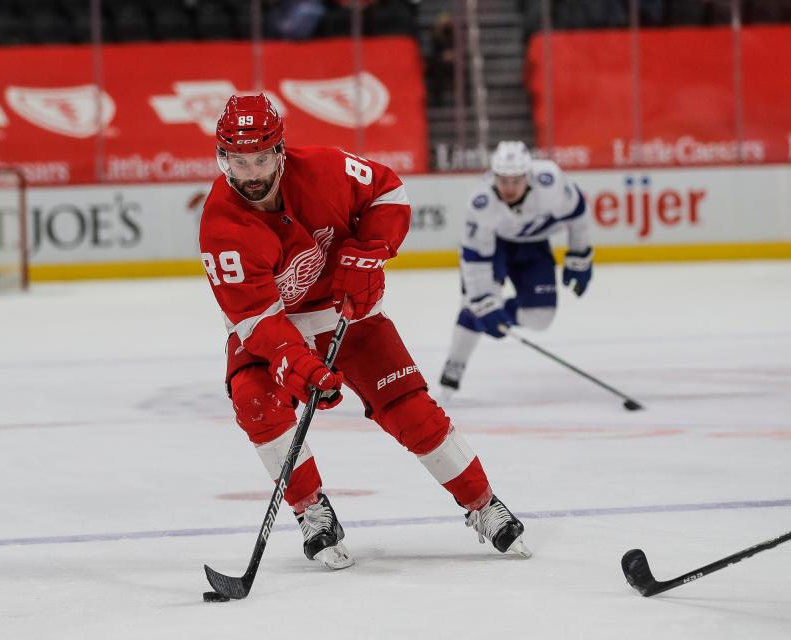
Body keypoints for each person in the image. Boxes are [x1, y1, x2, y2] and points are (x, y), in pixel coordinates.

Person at [198, 94, 531, 571]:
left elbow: (389, 191)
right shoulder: (221, 225)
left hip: (347, 314)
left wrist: (371, 250)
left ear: (279, 152)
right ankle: (311, 509)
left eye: (260, 158)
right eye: (238, 160)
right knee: (257, 402)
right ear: (223, 157)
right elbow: (254, 319)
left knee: (411, 409)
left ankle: (482, 503)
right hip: (272, 326)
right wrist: (298, 363)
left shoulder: (325, 169)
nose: (251, 173)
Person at [439, 141, 592, 398]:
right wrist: (482, 300)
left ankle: (489, 316)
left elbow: (579, 215)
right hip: (496, 247)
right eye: (503, 180)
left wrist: (580, 255)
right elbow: (475, 259)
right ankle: (456, 361)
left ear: (528, 177)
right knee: (473, 302)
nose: (508, 188)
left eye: (515, 181)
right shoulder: (481, 203)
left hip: (533, 246)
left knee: (540, 317)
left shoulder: (551, 183)